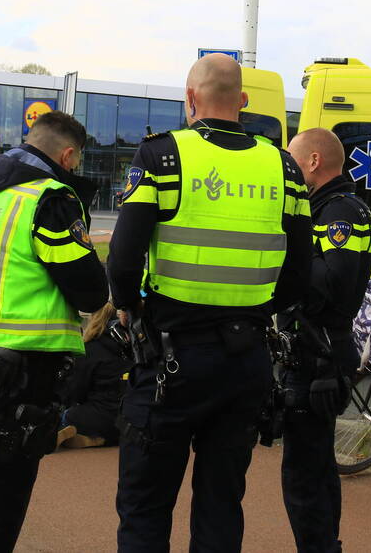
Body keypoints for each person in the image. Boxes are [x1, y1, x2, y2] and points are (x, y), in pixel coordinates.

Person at [108, 53, 312, 552]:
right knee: (222, 503)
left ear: (190, 98)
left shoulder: (162, 156)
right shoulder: (283, 166)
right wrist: (256, 307)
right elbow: (299, 273)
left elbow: (123, 258)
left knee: (146, 504)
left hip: (169, 360)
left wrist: (129, 309)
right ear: (242, 102)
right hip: (247, 362)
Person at [0, 111, 108, 553]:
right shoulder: (49, 199)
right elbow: (90, 291)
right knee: (6, 490)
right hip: (20, 365)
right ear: (68, 155)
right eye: (76, 162)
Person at [280, 128, 371, 552]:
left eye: (292, 160)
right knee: (315, 466)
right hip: (316, 351)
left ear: (314, 162)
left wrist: (291, 252)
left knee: (305, 474)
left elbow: (331, 287)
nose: (288, 169)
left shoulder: (339, 212)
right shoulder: (326, 207)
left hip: (318, 354)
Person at [57, 302, 132, 450]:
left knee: (66, 414)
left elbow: (77, 391)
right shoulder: (134, 344)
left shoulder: (90, 347)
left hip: (101, 416)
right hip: (130, 419)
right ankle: (101, 438)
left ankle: (69, 433)